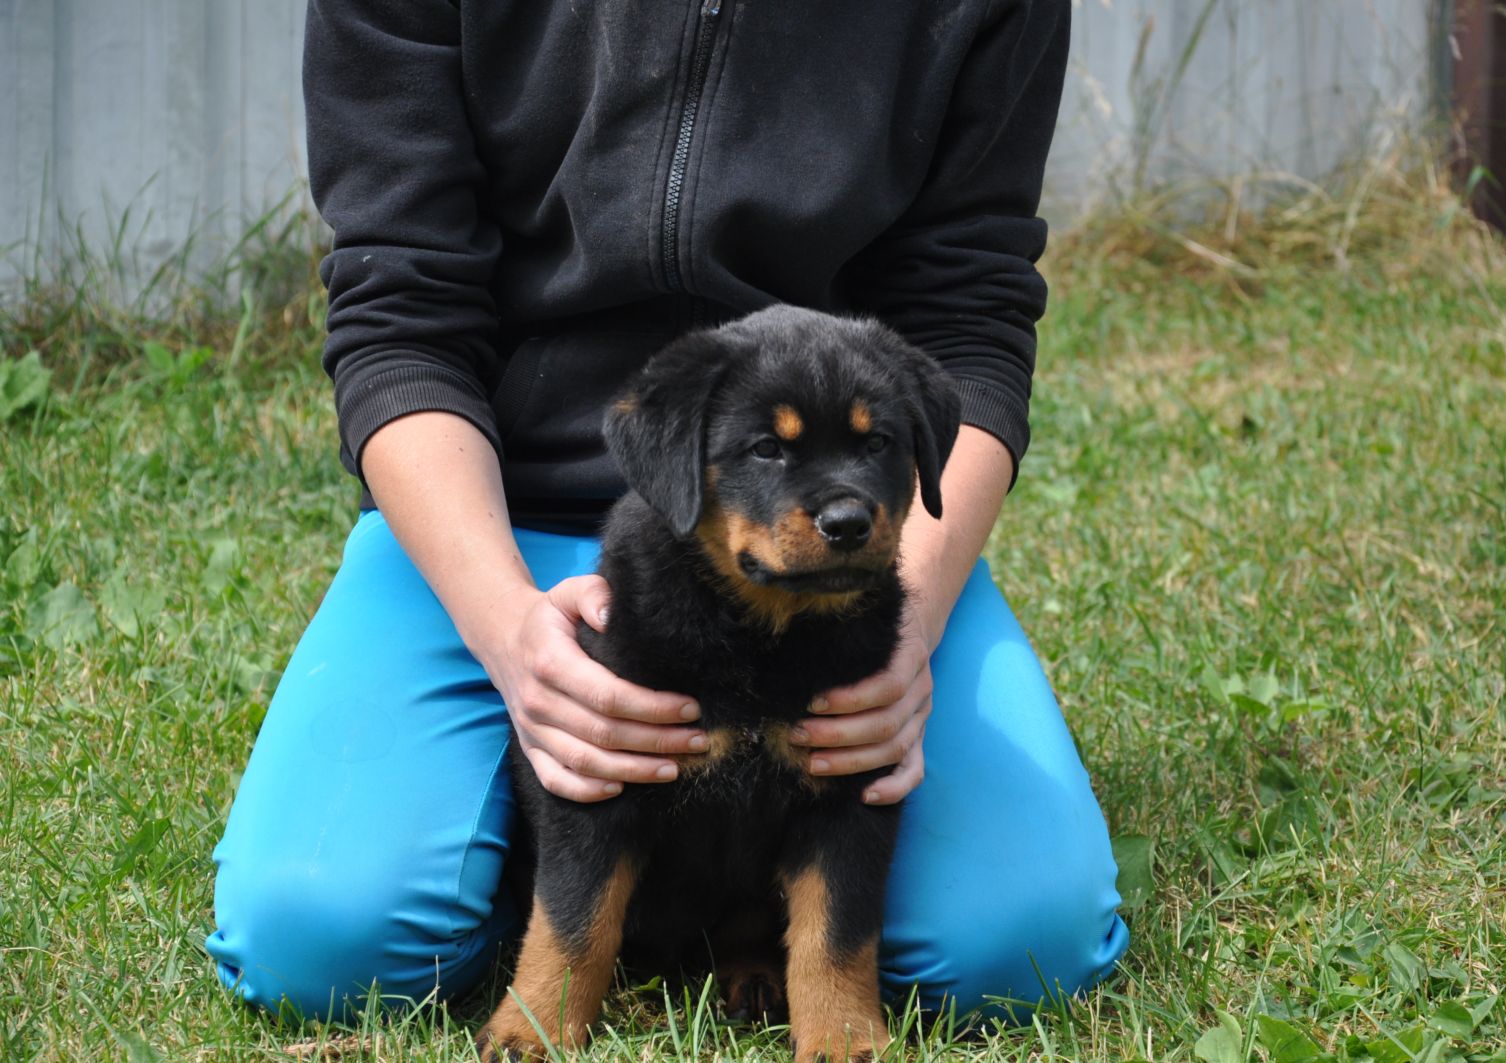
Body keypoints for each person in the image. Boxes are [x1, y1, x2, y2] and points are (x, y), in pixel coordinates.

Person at [206, 0, 1129, 1024]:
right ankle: (531, 845)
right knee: (317, 940)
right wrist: (507, 628)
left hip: (844, 566)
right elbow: (398, 311)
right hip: (486, 508)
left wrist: (910, 625)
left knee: (1020, 946)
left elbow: (969, 317)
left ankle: (703, 892)